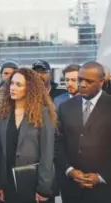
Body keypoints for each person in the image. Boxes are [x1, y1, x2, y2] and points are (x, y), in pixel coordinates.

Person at [0, 68, 56, 203]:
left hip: (32, 183)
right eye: (12, 83)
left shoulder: (42, 113)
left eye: (19, 85)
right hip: (7, 182)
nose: (13, 88)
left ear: (30, 88)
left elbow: (47, 152)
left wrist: (44, 188)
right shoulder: (3, 113)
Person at [55, 61, 111, 203]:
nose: (82, 84)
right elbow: (58, 143)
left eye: (89, 81)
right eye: (80, 79)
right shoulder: (65, 107)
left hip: (104, 190)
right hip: (71, 189)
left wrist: (101, 177)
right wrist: (69, 170)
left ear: (101, 82)